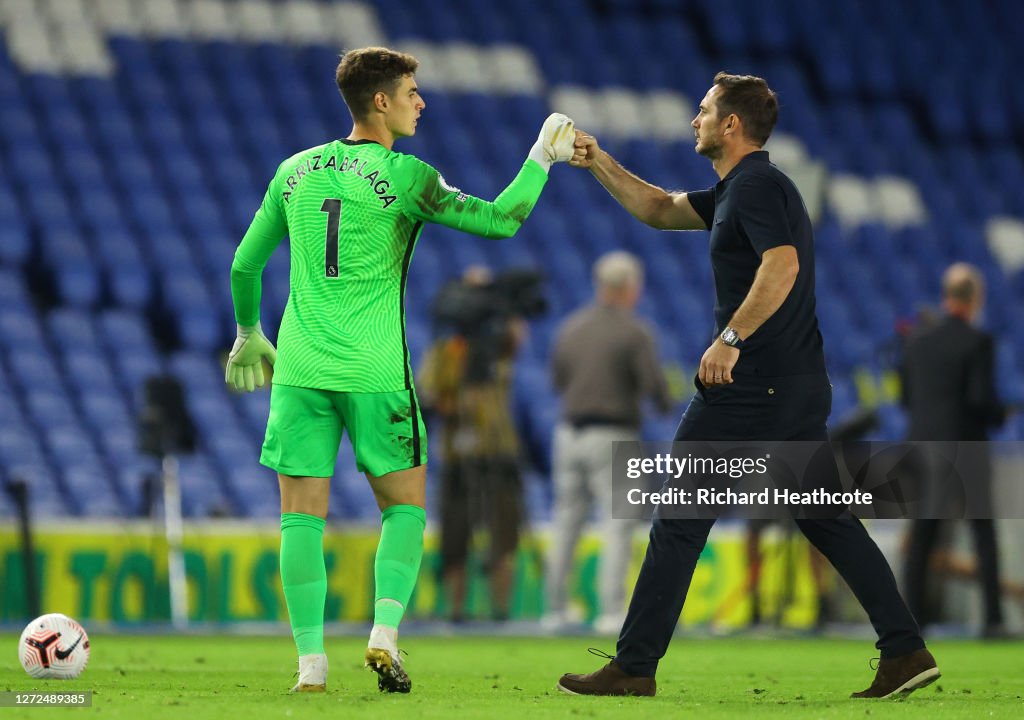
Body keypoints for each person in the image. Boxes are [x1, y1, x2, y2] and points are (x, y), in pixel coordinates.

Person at [557, 72, 938, 699]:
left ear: (731, 125)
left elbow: (781, 262)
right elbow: (656, 208)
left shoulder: (757, 186)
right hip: (796, 384)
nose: (694, 120)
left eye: (703, 111)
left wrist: (729, 339)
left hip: (751, 386)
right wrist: (598, 160)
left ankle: (633, 665)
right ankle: (905, 650)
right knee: (827, 520)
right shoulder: (741, 188)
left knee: (679, 517)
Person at [223, 46, 576, 694]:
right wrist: (541, 158)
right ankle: (384, 633)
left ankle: (310, 666)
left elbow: (245, 266)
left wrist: (250, 334)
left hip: (300, 369)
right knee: (405, 510)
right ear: (380, 102)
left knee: (301, 518)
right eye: (412, 91)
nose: (422, 102)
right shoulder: (409, 176)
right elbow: (500, 220)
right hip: (376, 373)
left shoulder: (294, 172)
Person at [544, 250, 672, 634]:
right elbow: (655, 388)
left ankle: (554, 610)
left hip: (568, 434)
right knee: (617, 523)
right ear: (630, 287)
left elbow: (557, 381)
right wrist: (665, 404)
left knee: (566, 521)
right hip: (612, 434)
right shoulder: (635, 332)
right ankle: (610, 611)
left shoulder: (571, 327)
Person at [899, 263, 1008, 637]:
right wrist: (999, 413)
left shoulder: (916, 340)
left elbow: (906, 398)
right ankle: (992, 620)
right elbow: (981, 399)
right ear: (975, 298)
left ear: (948, 296)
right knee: (983, 533)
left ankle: (912, 621)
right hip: (966, 448)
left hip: (924, 446)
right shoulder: (978, 341)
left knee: (923, 535)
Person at [417, 266, 526, 622]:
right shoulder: (445, 351)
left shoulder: (498, 347)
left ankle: (500, 610)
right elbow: (429, 395)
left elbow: (516, 336)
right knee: (455, 535)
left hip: (498, 450)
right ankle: (456, 609)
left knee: (503, 532)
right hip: (458, 453)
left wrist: (502, 303)